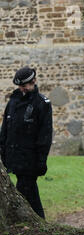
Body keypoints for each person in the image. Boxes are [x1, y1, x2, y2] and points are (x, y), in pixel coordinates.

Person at [0, 66, 53, 220]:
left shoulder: (41, 103)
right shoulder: (13, 102)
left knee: (25, 190)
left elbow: (45, 134)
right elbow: (6, 129)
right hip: (13, 155)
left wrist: (41, 160)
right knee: (26, 192)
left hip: (29, 158)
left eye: (25, 86)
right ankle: (36, 222)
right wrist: (2, 151)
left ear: (34, 81)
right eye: (20, 87)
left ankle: (37, 222)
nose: (23, 90)